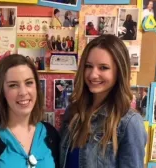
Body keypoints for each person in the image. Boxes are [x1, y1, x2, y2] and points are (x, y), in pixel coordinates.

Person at [60, 35, 147, 168]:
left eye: (103, 67)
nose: (93, 74)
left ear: (119, 71)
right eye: (88, 66)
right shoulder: (73, 112)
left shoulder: (129, 123)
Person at [0, 54, 60, 168]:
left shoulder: (51, 134)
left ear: (37, 87)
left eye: (29, 83)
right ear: (1, 91)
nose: (23, 92)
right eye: (13, 85)